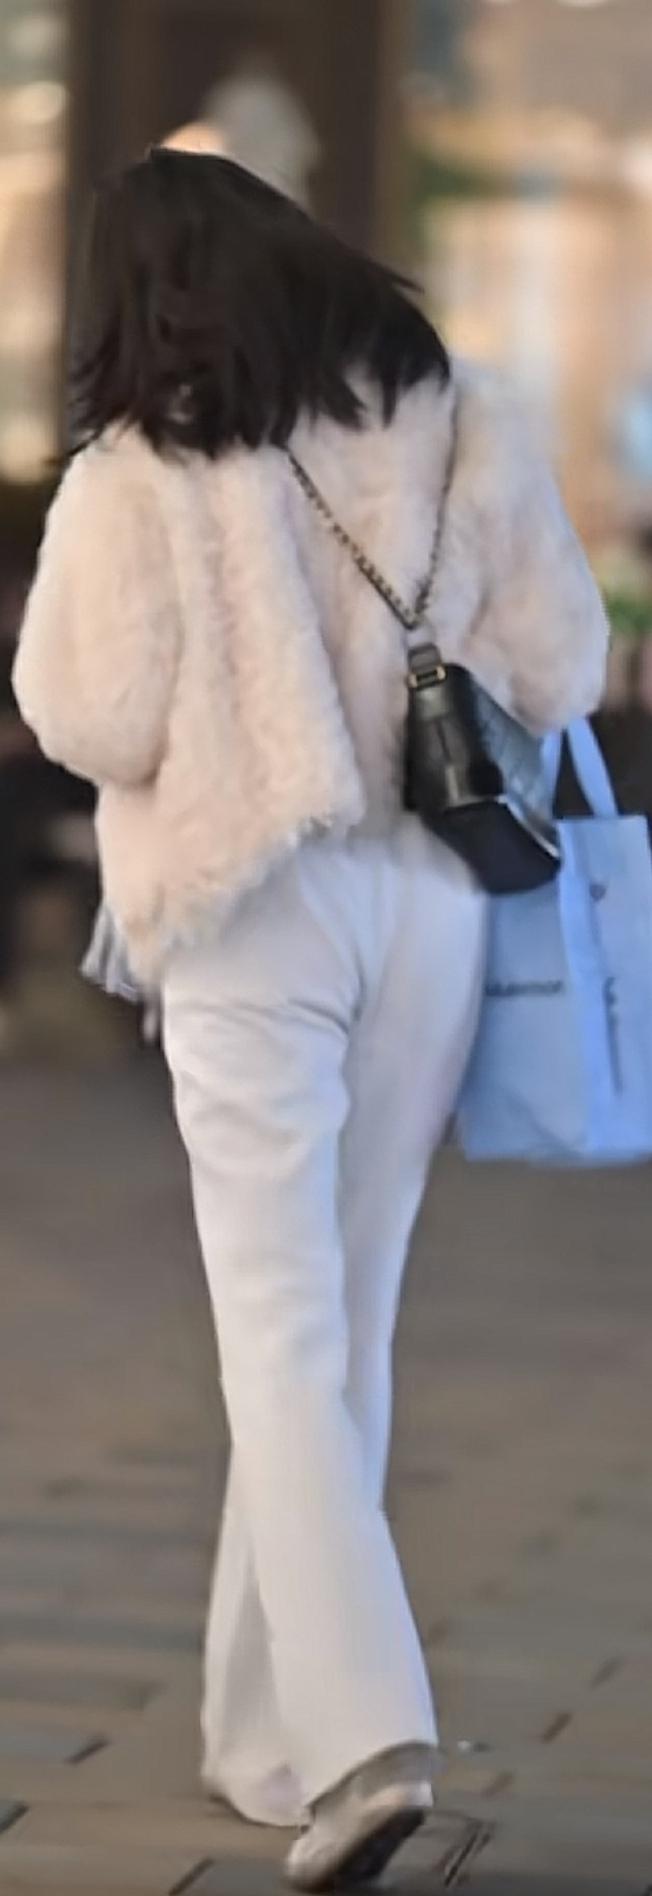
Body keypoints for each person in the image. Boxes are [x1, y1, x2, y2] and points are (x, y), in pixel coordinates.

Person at [13, 150, 608, 1890]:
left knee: (279, 1331)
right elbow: (560, 665)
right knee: (345, 1317)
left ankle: (364, 1740)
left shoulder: (143, 462)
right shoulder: (459, 413)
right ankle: (265, 1736)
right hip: (429, 899)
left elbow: (90, 714)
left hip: (250, 900)